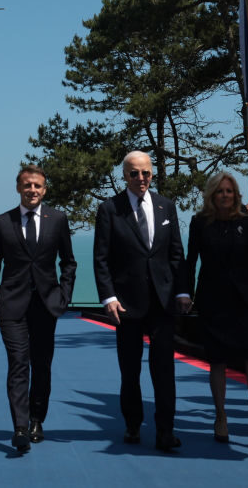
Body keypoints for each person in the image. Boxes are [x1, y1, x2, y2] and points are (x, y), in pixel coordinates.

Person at [93, 151, 188, 452]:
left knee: (164, 371)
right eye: (134, 173)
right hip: (126, 305)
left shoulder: (165, 206)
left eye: (145, 172)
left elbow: (176, 253)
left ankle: (165, 431)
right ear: (125, 175)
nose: (141, 178)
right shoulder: (110, 209)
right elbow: (101, 258)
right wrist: (108, 296)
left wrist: (183, 291)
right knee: (130, 370)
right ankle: (133, 424)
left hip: (162, 303)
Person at [0, 164, 77, 453]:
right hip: (11, 306)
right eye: (27, 185)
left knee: (42, 365)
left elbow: (69, 262)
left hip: (47, 306)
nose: (32, 190)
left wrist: (64, 296)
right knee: (18, 364)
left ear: (44, 189)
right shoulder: (2, 222)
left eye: (37, 186)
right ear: (18, 188)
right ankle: (20, 427)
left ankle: (37, 419)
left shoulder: (57, 220)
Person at [186, 172, 248, 444]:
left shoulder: (246, 224)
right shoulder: (199, 223)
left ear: (236, 195)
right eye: (220, 191)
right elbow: (191, 260)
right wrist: (185, 293)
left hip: (245, 300)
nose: (225, 195)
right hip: (213, 299)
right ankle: (220, 416)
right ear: (212, 195)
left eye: (230, 191)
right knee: (218, 360)